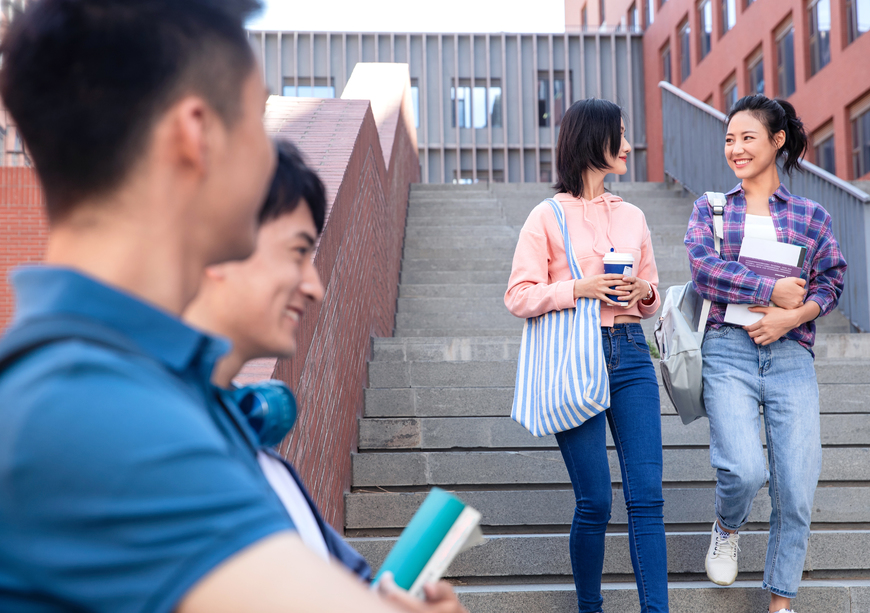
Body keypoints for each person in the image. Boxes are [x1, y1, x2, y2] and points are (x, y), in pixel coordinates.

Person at [0, 1, 450, 612]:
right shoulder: (91, 407)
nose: (272, 157)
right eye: (259, 118)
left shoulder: (143, 390)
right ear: (197, 134)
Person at [183, 140, 467, 613]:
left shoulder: (257, 449)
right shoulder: (152, 442)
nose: (314, 286)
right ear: (219, 243)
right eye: (297, 253)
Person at [684, 94, 846, 613]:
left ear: (777, 142)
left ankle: (780, 600)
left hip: (791, 355)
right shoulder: (712, 207)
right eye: (730, 138)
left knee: (796, 485)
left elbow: (832, 279)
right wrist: (767, 291)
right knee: (744, 470)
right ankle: (727, 525)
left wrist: (793, 316)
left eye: (747, 137)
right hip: (727, 351)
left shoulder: (810, 215)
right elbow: (704, 270)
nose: (736, 147)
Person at [505, 98, 668, 613]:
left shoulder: (634, 215)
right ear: (591, 140)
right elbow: (518, 295)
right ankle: (590, 608)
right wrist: (579, 287)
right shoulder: (546, 216)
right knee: (595, 500)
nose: (626, 144)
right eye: (618, 134)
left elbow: (654, 297)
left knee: (647, 497)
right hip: (575, 360)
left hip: (631, 355)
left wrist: (642, 289)